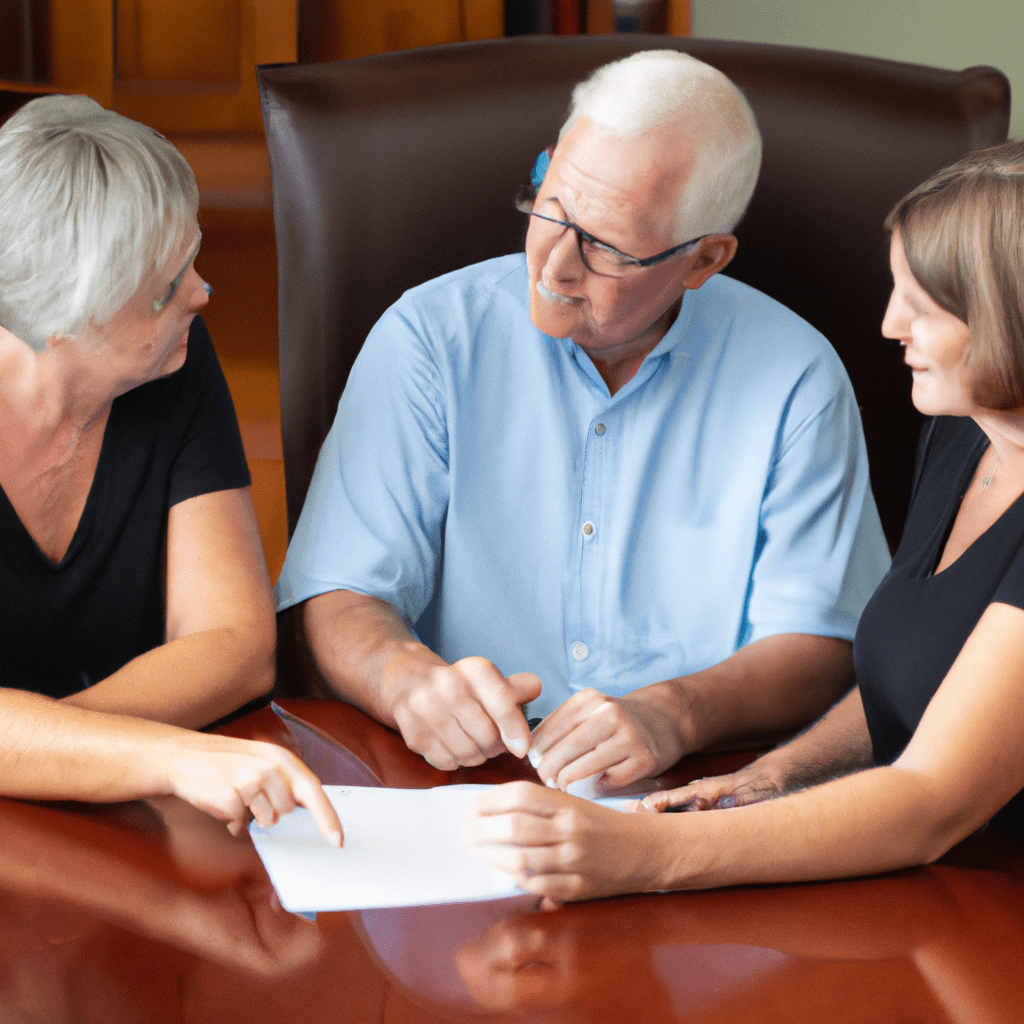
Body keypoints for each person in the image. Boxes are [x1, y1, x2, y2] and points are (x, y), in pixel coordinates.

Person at [277, 51, 889, 785]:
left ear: (703, 261)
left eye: (605, 246)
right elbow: (339, 591)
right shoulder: (428, 339)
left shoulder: (796, 375)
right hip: (460, 782)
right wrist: (402, 677)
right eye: (551, 207)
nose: (554, 266)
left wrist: (675, 712)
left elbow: (820, 642)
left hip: (697, 783)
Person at [464, 139, 1024, 901]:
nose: (890, 325)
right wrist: (771, 778)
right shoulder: (968, 430)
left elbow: (930, 802)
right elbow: (918, 684)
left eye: (923, 308)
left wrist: (648, 850)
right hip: (926, 884)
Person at [0, 95, 340, 844]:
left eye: (190, 257)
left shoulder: (172, 360)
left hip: (106, 834)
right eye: (165, 288)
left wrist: (45, 750)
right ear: (59, 322)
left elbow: (237, 646)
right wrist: (154, 753)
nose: (204, 293)